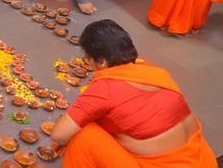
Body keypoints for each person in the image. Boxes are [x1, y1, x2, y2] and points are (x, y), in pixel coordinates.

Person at [51, 20, 216, 168]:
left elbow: (59, 135)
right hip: (203, 160)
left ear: (102, 62)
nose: (88, 62)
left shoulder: (105, 88)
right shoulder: (151, 68)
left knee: (84, 133)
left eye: (88, 58)